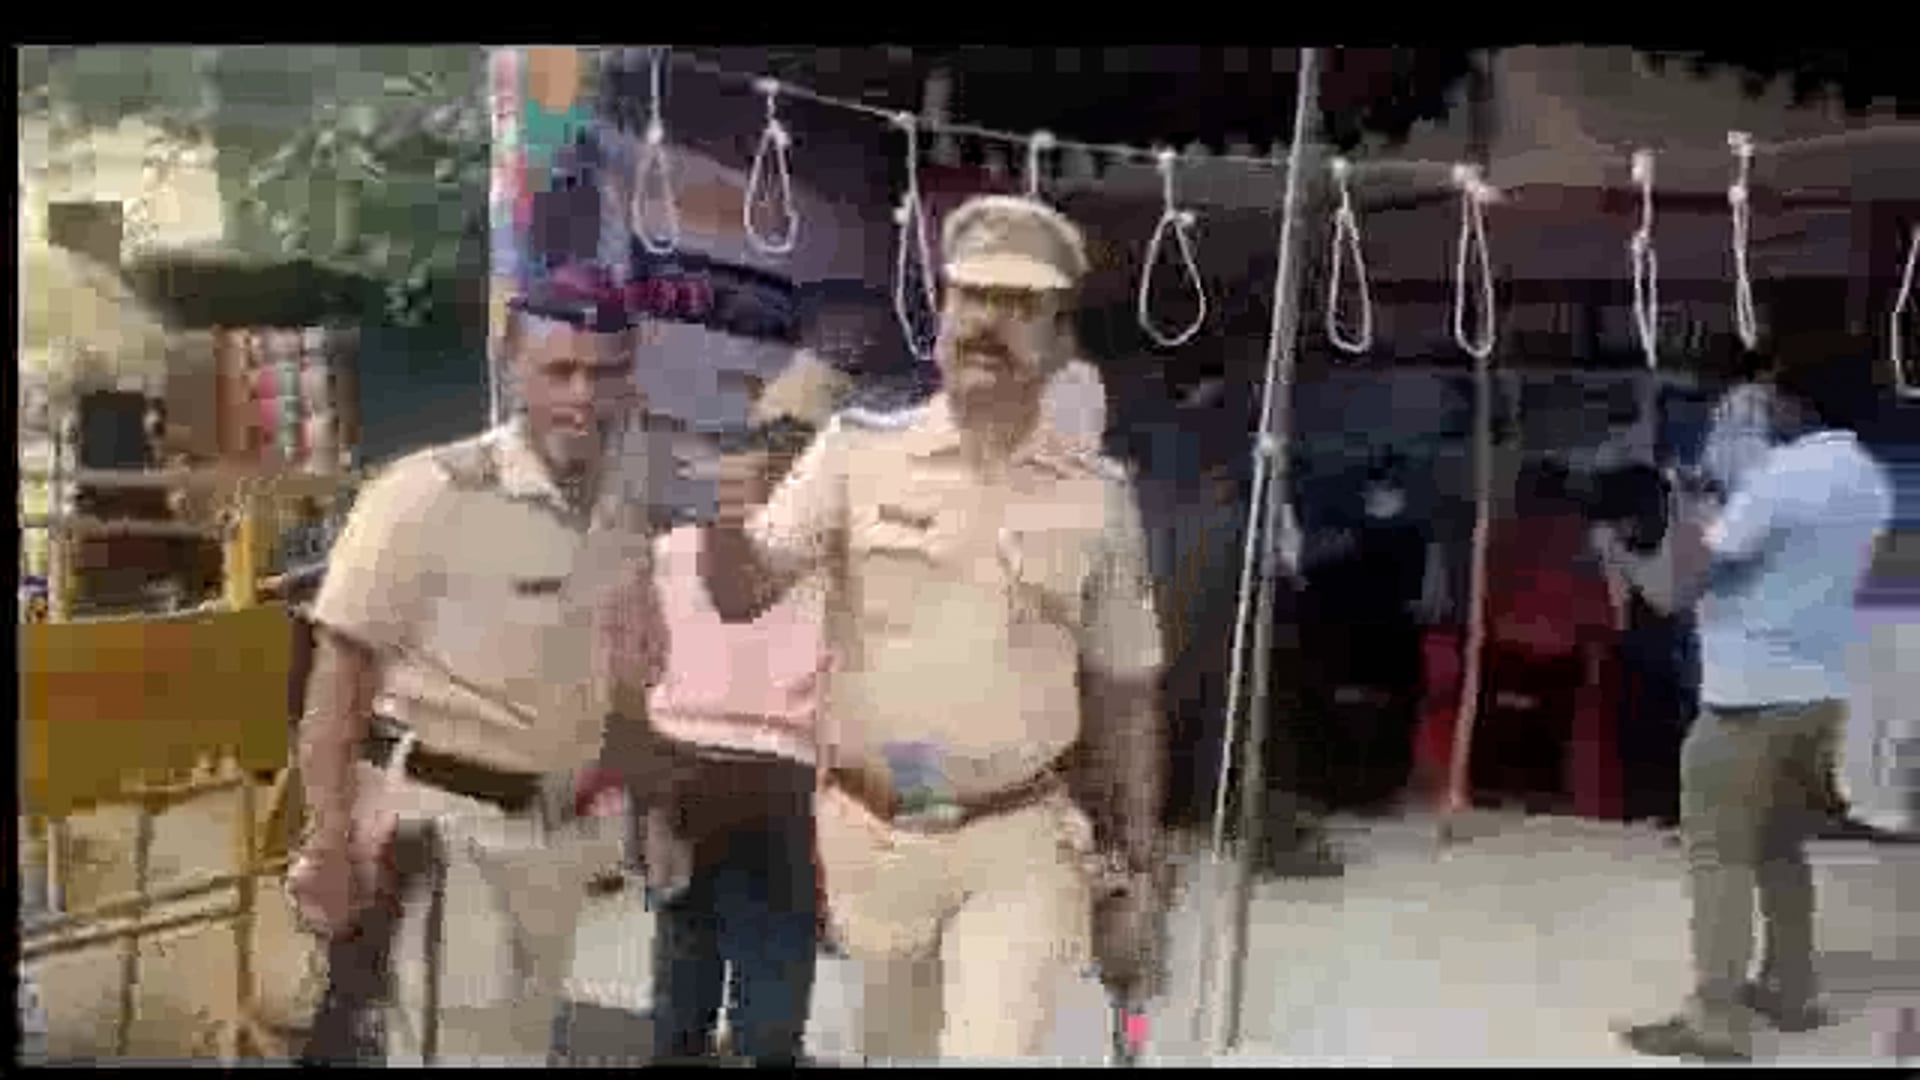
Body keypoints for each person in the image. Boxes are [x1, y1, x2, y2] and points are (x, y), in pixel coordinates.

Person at [699, 194, 1167, 1062]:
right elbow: (742, 595)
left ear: (1060, 340)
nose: (989, 322)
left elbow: (1125, 692)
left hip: (1016, 829)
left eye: (1020, 305)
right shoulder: (855, 451)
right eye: (971, 296)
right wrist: (723, 528)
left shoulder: (1098, 498)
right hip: (883, 828)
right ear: (942, 314)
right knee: (894, 1050)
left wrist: (1137, 866)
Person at [290, 273, 672, 1065]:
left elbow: (627, 682)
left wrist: (653, 809)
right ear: (512, 368)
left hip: (558, 841)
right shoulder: (427, 493)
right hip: (446, 838)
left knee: (521, 1050)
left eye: (605, 372)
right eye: (560, 371)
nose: (584, 395)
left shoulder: (623, 514)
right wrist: (326, 839)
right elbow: (339, 680)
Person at [1613, 344, 1893, 1062]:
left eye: (1770, 396)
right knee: (1778, 845)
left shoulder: (1783, 477)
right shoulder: (1868, 479)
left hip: (1748, 698)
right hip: (1821, 696)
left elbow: (1678, 587)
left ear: (1797, 403)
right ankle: (1792, 989)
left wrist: (1679, 512)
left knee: (1719, 856)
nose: (1762, 408)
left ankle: (1715, 1019)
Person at [643, 417, 829, 1065]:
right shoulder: (675, 556)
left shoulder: (673, 554)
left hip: (740, 786)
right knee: (718, 981)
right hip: (723, 784)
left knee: (711, 979)